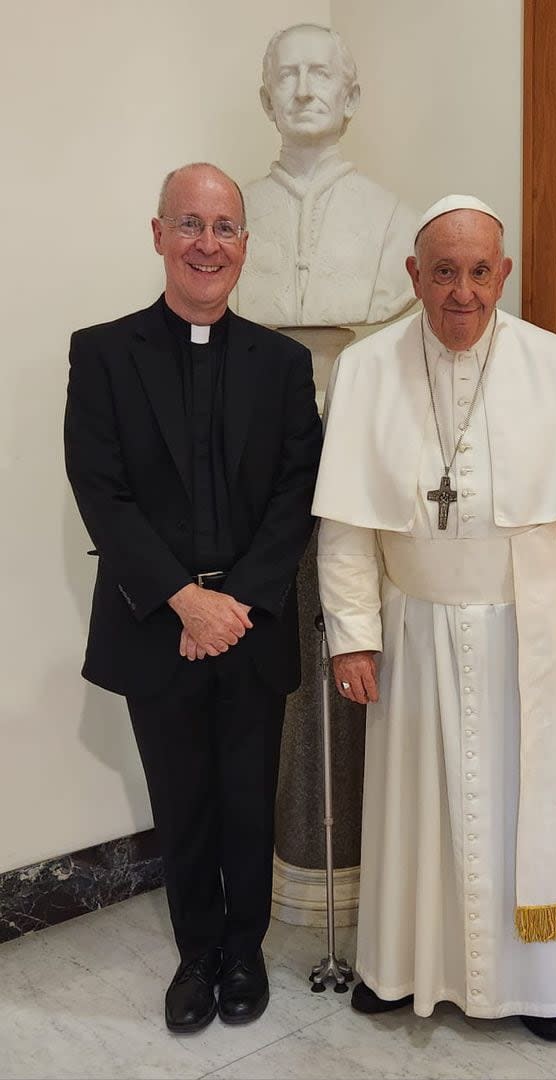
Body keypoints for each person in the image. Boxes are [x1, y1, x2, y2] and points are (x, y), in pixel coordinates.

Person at [313, 195, 556, 1041]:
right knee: (419, 814)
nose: (463, 292)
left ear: (505, 274)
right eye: (444, 272)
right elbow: (345, 527)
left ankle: (536, 987)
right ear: (414, 276)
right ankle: (398, 967)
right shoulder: (370, 368)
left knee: (527, 812)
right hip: (412, 628)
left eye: (479, 271)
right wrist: (354, 635)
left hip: (529, 633)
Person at [64, 163, 322, 1034]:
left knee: (249, 794)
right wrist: (183, 599)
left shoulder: (283, 365)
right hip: (155, 623)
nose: (207, 243)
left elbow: (298, 490)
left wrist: (235, 603)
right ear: (159, 235)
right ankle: (196, 953)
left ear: (245, 245)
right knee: (183, 796)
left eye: (224, 227)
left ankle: (244, 952)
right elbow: (99, 488)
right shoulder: (101, 352)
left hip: (248, 623)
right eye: (190, 224)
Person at [239, 23, 417, 328]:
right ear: (268, 102)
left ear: (351, 99)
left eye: (320, 74)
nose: (304, 92)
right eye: (287, 76)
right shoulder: (231, 216)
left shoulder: (400, 223)